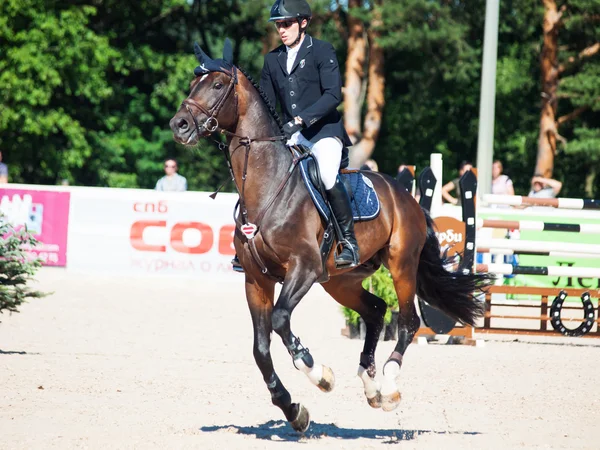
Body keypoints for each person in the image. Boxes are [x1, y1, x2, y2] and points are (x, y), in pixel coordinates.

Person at [232, 0, 358, 272]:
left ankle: (348, 241)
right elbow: (265, 103)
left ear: (303, 23)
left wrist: (300, 121)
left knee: (325, 174)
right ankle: (248, 241)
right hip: (293, 136)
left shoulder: (322, 51)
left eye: (286, 24)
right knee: (259, 174)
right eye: (278, 25)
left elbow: (333, 95)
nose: (282, 30)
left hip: (323, 131)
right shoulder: (272, 59)